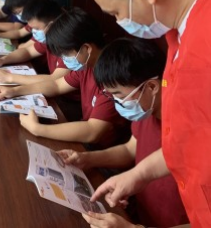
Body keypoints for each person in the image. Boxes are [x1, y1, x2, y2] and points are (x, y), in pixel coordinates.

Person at [87, 0, 211, 227]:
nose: (119, 23)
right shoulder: (179, 32)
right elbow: (190, 140)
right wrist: (139, 174)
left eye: (116, 13)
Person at [59, 38, 188, 228]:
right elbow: (130, 150)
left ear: (151, 87)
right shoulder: (147, 112)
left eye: (119, 95)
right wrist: (87, 159)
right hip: (140, 213)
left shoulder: (193, 131)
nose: (116, 102)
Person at [0, 8, 129, 148]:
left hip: (102, 148)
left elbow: (93, 131)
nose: (63, 59)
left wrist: (37, 129)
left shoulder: (112, 78)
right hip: (85, 131)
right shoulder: (86, 66)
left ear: (86, 49)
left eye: (66, 54)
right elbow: (56, 85)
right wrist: (14, 91)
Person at [0, 0, 69, 86]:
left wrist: (9, 77)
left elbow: (55, 79)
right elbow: (28, 52)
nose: (33, 32)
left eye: (36, 28)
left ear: (51, 25)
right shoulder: (49, 37)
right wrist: (2, 60)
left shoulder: (68, 42)